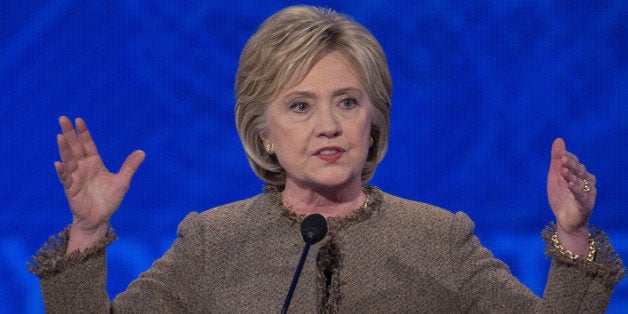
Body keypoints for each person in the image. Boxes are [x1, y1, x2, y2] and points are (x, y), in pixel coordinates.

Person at [30, 5, 624, 312]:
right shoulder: (212, 242)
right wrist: (88, 228)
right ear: (263, 132)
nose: (329, 127)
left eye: (346, 101)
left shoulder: (438, 238)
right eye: (299, 106)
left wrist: (572, 239)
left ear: (374, 120)